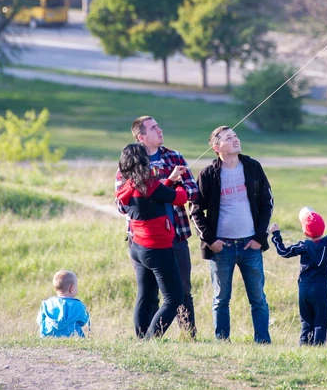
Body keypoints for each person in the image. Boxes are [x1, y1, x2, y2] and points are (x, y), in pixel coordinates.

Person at [114, 116, 198, 338]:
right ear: (141, 137)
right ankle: (151, 339)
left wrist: (165, 186)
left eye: (159, 125)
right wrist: (169, 190)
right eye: (153, 128)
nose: (159, 129)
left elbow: (192, 192)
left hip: (171, 236)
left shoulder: (173, 157)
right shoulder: (131, 168)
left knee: (179, 291)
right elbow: (176, 198)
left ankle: (185, 337)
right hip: (154, 242)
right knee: (168, 297)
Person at [191, 126, 273, 344]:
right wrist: (210, 240)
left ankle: (263, 342)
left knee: (258, 299)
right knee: (221, 300)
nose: (236, 139)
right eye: (229, 138)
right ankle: (222, 343)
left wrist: (259, 238)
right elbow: (195, 211)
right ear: (217, 147)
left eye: (236, 136)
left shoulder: (253, 167)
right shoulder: (208, 174)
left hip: (250, 245)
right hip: (222, 248)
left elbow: (267, 203)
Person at [268, 208, 327, 345]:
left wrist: (276, 234)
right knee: (321, 322)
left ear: (305, 231)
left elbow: (283, 252)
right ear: (323, 228)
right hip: (322, 288)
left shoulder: (303, 246)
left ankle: (304, 349)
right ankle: (318, 351)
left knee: (306, 322)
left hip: (304, 288)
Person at [37, 270, 90, 338]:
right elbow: (83, 321)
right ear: (72, 289)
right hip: (72, 336)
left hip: (47, 336)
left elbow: (39, 321)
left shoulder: (47, 304)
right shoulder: (78, 305)